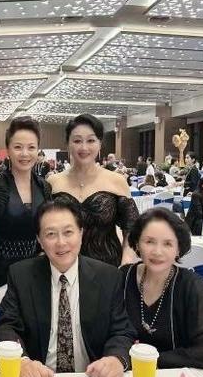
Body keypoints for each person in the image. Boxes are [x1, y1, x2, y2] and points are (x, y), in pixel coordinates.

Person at [0, 198, 136, 377]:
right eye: (51, 234)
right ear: (40, 240)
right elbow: (6, 326)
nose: (61, 242)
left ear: (81, 233)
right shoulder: (21, 275)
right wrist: (21, 361)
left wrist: (116, 359)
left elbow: (122, 330)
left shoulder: (108, 276)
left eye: (68, 232)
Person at [121, 208, 203, 369]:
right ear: (137, 243)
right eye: (149, 242)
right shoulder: (123, 278)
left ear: (178, 249)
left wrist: (148, 361)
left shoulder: (191, 285)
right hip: (126, 376)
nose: (157, 252)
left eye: (167, 244)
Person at [47, 114, 138, 267]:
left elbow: (131, 229)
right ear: (68, 144)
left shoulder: (117, 181)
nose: (84, 147)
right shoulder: (53, 183)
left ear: (100, 144)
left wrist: (126, 264)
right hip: (63, 268)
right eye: (77, 141)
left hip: (108, 268)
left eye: (91, 140)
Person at [0, 117, 52, 289]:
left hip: (37, 271)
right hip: (3, 274)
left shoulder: (44, 187)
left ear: (38, 150)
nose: (25, 154)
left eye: (31, 147)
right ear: (8, 150)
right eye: (18, 147)